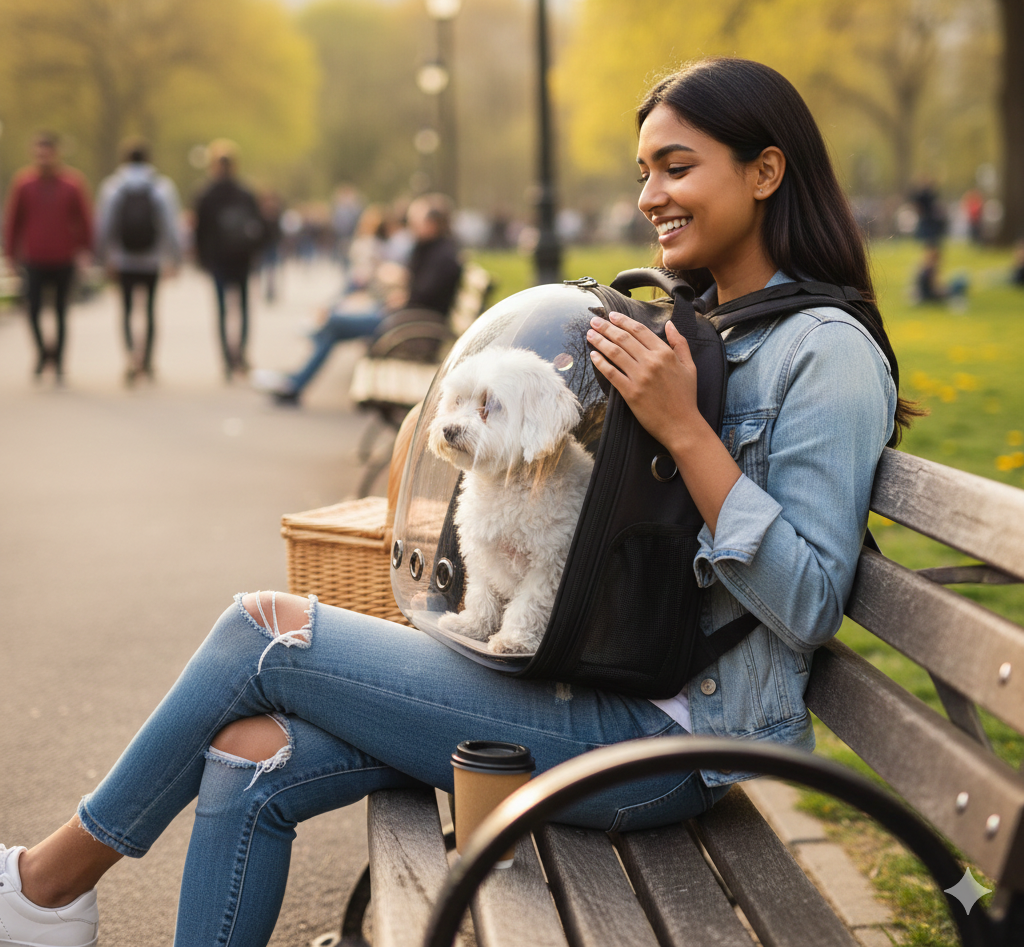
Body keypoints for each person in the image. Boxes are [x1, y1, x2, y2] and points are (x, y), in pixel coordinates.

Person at [1, 58, 912, 947]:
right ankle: (50, 899)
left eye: (676, 168)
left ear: (765, 172)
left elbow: (809, 604)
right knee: (251, 751)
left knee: (261, 631)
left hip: (668, 739)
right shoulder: (688, 321)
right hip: (578, 672)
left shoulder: (824, 352)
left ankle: (46, 887)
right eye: (644, 172)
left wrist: (685, 432)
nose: (650, 196)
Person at [253, 193, 462, 406]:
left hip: (408, 326)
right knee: (334, 324)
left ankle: (297, 377)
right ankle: (295, 380)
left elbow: (423, 295)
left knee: (334, 322)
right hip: (401, 317)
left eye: (418, 220)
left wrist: (402, 295)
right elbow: (418, 290)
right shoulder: (432, 248)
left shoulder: (444, 256)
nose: (412, 225)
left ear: (433, 224)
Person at [2, 131, 93, 382]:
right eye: (39, 154)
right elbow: (13, 222)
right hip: (33, 257)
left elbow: (84, 219)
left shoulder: (72, 184)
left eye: (47, 153)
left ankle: (60, 361)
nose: (43, 158)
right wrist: (10, 256)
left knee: (62, 311)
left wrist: (85, 250)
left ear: (56, 153)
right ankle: (43, 353)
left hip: (64, 256)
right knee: (32, 310)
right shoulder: (23, 184)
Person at [95, 139, 183, 384]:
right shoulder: (161, 187)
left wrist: (102, 259)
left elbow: (104, 227)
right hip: (151, 259)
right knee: (151, 311)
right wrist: (175, 259)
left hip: (123, 260)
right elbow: (171, 227)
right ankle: (148, 361)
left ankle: (131, 358)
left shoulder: (113, 187)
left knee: (126, 311)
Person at [193, 140, 265, 380]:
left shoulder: (206, 193)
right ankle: (240, 354)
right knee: (243, 308)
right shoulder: (245, 192)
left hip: (218, 260)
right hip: (242, 257)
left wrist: (201, 259)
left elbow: (199, 230)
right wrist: (255, 252)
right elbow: (259, 226)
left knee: (222, 310)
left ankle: (226, 359)